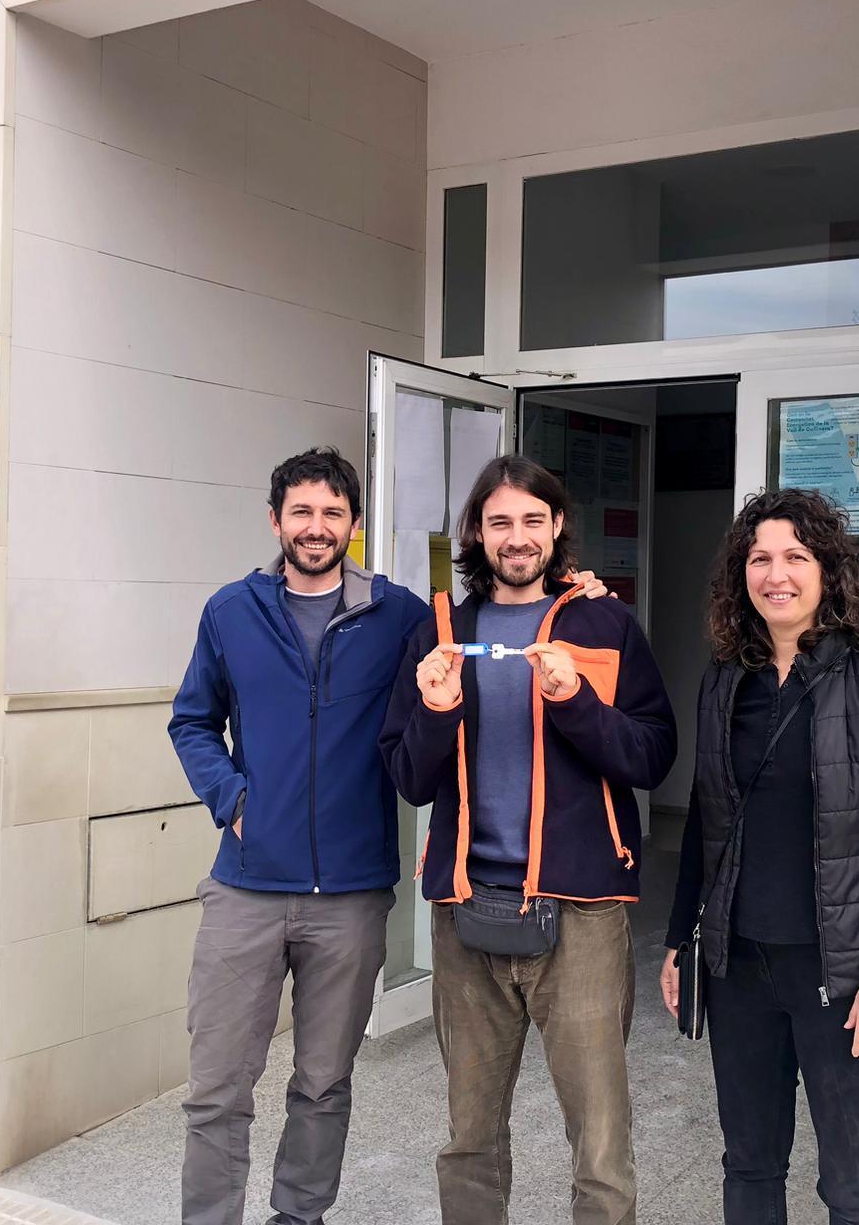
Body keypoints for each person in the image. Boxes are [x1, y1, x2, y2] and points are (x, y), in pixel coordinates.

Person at [380, 454, 678, 1225]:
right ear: (477, 532)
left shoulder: (602, 622)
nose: (517, 538)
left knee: (601, 1147)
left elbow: (651, 756)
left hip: (581, 913)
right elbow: (409, 777)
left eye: (533, 521)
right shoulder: (439, 628)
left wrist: (576, 702)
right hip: (466, 910)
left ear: (557, 529)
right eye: (500, 521)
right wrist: (439, 710)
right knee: (470, 1139)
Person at [660, 488, 859, 1225]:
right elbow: (704, 821)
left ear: (827, 571)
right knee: (750, 1167)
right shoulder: (726, 681)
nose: (775, 574)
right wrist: (677, 938)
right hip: (741, 969)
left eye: (794, 556)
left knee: (853, 1186)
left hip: (844, 977)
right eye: (759, 558)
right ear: (740, 575)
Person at [168, 447, 429, 1225]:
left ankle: (299, 1216)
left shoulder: (400, 616)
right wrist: (231, 798)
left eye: (333, 515)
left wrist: (576, 590)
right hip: (246, 887)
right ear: (276, 519)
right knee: (217, 1089)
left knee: (323, 1084)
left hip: (349, 897)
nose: (317, 528)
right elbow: (191, 721)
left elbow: (478, 624)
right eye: (302, 512)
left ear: (354, 525)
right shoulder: (230, 612)